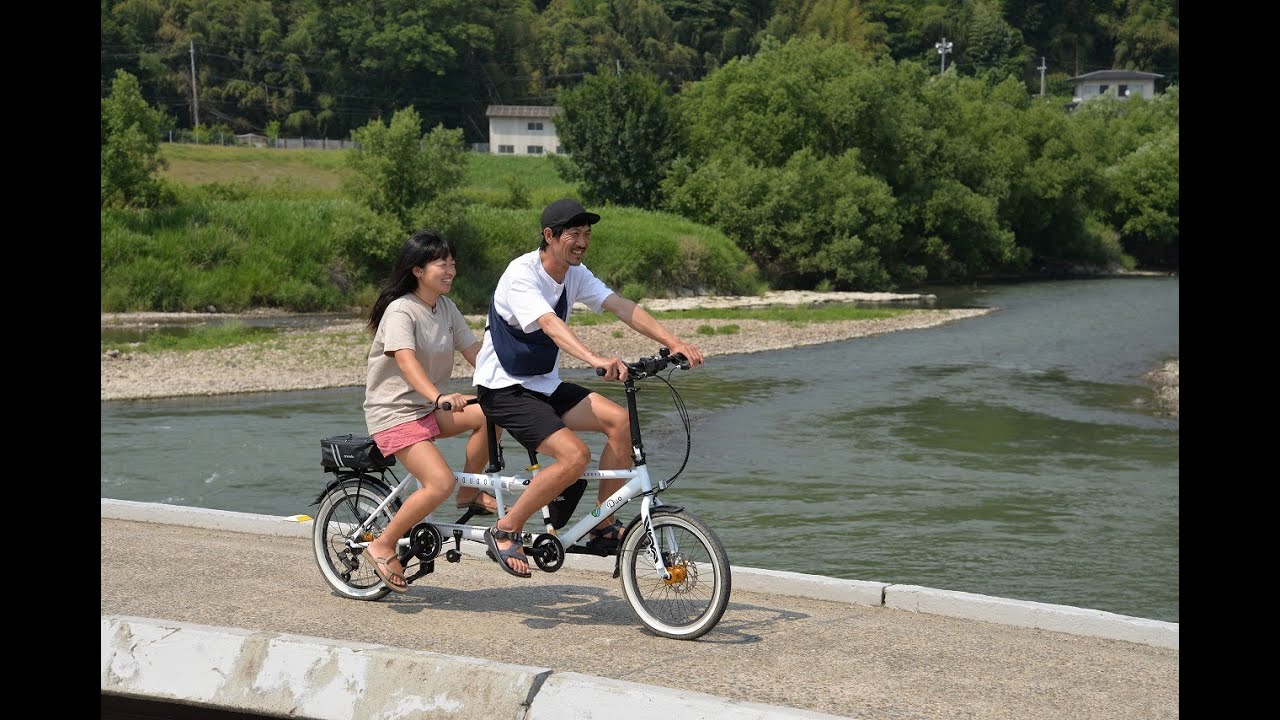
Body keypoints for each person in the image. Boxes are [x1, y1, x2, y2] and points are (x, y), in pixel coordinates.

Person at [472, 198, 705, 578]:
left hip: (544, 385)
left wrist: (674, 340)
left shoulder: (575, 274)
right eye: (573, 235)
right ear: (549, 236)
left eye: (587, 234)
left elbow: (622, 306)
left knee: (620, 422)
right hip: (504, 389)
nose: (582, 242)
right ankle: (506, 527)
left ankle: (602, 524)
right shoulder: (521, 275)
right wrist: (594, 358)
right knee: (574, 456)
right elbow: (549, 323)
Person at [362, 229, 501, 592]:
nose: (451, 269)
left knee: (495, 412)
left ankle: (468, 493)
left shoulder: (445, 307)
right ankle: (382, 543)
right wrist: (439, 397)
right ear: (417, 270)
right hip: (395, 413)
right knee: (438, 482)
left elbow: (477, 355)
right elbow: (407, 363)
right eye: (442, 263)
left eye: (453, 262)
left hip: (428, 407)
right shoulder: (400, 310)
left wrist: (514, 381)